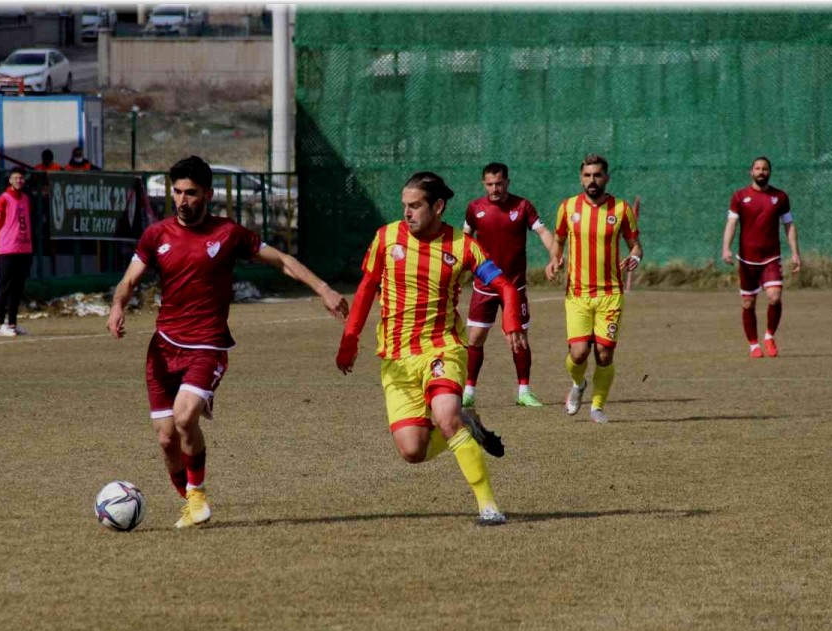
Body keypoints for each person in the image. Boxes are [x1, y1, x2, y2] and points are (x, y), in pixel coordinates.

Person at [106, 156, 347, 529]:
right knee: (167, 439)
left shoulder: (229, 233)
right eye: (178, 192)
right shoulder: (157, 235)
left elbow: (281, 259)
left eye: (191, 193)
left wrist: (324, 289)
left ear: (208, 194)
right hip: (163, 347)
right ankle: (190, 503)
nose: (183, 200)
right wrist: (118, 305)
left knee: (186, 417)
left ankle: (198, 498)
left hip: (208, 344)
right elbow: (129, 280)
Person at [336, 171, 525, 526]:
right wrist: (350, 339)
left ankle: (488, 506)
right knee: (413, 450)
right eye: (404, 206)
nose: (407, 213)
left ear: (438, 207)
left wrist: (511, 320)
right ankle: (468, 426)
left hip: (442, 349)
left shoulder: (462, 245)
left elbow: (504, 285)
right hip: (396, 359)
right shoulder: (386, 238)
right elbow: (366, 289)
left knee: (446, 416)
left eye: (415, 206)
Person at [545, 154, 643, 424]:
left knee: (604, 353)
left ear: (606, 177)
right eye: (587, 175)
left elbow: (636, 245)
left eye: (597, 175)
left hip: (610, 294)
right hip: (577, 293)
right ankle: (578, 385)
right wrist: (554, 259)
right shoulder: (567, 207)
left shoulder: (621, 209)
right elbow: (558, 240)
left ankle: (597, 407)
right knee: (578, 354)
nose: (592, 180)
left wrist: (634, 257)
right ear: (581, 177)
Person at [461, 162, 555, 408]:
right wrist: (458, 272)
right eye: (490, 184)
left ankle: (524, 391)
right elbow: (464, 241)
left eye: (499, 183)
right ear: (484, 184)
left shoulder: (522, 206)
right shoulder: (475, 208)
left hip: (514, 286)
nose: (495, 188)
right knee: (476, 337)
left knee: (519, 338)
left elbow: (543, 232)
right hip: (484, 285)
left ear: (507, 182)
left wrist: (555, 255)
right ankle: (469, 391)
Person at [721, 156, 801, 358]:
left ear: (769, 172)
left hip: (771, 257)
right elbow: (731, 224)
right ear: (751, 172)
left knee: (774, 296)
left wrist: (795, 253)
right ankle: (753, 345)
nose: (761, 172)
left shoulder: (780, 197)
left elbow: (789, 225)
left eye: (764, 169)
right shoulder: (739, 196)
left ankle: (769, 336)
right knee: (748, 303)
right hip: (747, 259)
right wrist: (726, 248)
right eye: (757, 168)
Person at [0, 168, 34, 337]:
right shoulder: (4, 199)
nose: (19, 181)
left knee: (18, 288)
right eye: (16, 178)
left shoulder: (26, 199)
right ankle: (0, 325)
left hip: (24, 248)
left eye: (21, 178)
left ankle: (12, 324)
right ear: (10, 180)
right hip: (8, 249)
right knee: (5, 286)